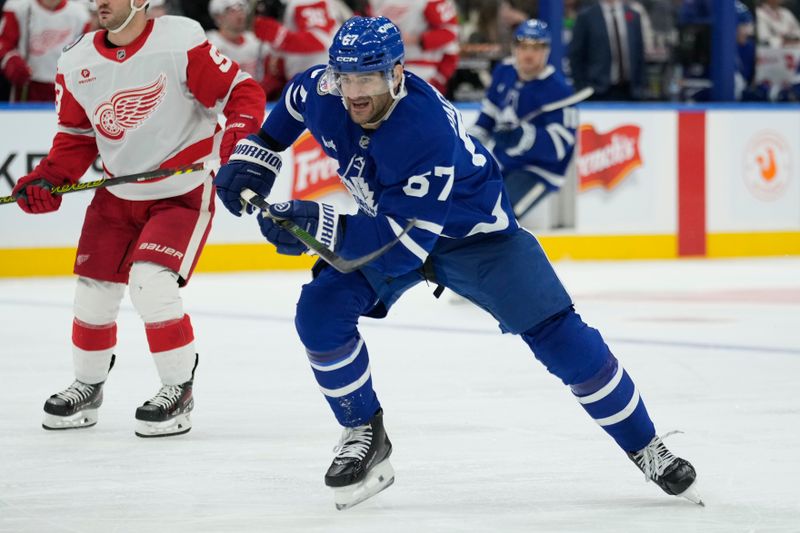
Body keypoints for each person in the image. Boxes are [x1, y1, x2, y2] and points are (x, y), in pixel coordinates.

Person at [213, 16, 702, 510]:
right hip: (392, 222)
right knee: (318, 311)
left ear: (397, 73)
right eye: (345, 79)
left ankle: (646, 446)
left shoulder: (422, 129)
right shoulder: (324, 89)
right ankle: (363, 429)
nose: (353, 93)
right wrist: (257, 156)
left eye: (367, 79)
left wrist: (315, 223)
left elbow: (402, 249)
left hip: (475, 238)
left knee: (561, 337)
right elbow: (291, 108)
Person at [10, 0, 265, 437]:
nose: (99, 3)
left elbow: (243, 93)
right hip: (116, 195)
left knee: (152, 283)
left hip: (180, 192)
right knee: (92, 293)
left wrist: (239, 137)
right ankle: (88, 386)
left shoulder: (180, 39)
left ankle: (177, 388)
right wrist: (47, 179)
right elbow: (75, 137)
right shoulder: (76, 59)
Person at [469, 20, 579, 221]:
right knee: (468, 203)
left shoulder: (559, 89)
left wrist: (522, 137)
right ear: (514, 48)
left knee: (499, 217)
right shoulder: (504, 72)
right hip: (503, 163)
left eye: (536, 48)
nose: (529, 54)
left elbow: (561, 145)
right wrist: (472, 142)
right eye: (523, 47)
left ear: (546, 51)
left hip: (541, 172)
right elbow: (489, 114)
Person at [0, 0, 91, 102]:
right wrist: (11, 60)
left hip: (65, 88)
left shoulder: (81, 14)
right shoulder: (17, 7)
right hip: (27, 87)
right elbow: (4, 43)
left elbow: (85, 53)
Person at [369, 0, 460, 94]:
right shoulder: (375, 2)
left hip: (421, 71)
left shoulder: (431, 2)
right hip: (384, 69)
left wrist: (415, 39)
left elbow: (450, 32)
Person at [253, 0, 353, 82]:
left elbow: (320, 39)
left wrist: (276, 34)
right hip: (309, 76)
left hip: (318, 76)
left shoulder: (306, 2)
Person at [568, 0, 646, 100]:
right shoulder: (586, 17)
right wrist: (583, 88)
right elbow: (576, 56)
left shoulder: (633, 15)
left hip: (630, 92)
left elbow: (639, 53)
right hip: (597, 92)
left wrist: (640, 87)